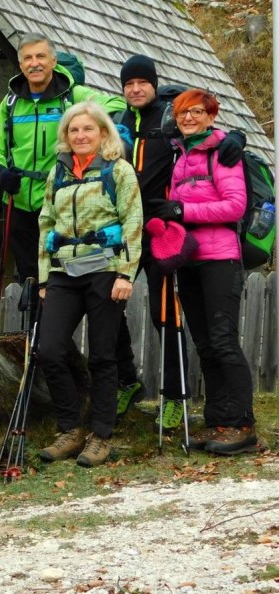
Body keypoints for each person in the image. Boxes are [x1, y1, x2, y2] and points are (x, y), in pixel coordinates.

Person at [111, 55, 247, 427]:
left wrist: (238, 136)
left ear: (154, 84)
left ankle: (174, 396)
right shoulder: (118, 122)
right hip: (124, 230)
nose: (136, 89)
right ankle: (126, 380)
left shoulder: (172, 116)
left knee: (164, 314)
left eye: (142, 82)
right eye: (129, 84)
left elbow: (208, 133)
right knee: (107, 306)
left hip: (163, 231)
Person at [35, 101, 142, 468]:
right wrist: (45, 277)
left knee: (102, 355)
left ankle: (101, 435)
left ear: (102, 133)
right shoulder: (58, 173)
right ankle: (70, 429)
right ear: (66, 135)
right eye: (73, 130)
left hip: (105, 270)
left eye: (88, 129)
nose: (80, 136)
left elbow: (133, 221)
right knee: (48, 349)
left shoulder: (119, 170)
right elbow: (46, 223)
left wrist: (126, 274)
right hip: (65, 272)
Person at [151, 89, 256, 455]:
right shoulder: (180, 156)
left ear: (211, 116)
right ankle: (218, 421)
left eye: (197, 112)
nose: (189, 118)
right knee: (206, 343)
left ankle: (243, 424)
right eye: (183, 113)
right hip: (189, 260)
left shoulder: (223, 152)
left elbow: (234, 206)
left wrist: (182, 212)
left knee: (224, 339)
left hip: (221, 259)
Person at [0, 34, 125, 293]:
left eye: (40, 56)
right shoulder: (11, 102)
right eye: (28, 58)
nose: (34, 63)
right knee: (29, 275)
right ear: (20, 64)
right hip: (19, 201)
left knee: (60, 271)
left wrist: (84, 126)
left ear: (53, 61)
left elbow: (117, 104)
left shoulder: (73, 96)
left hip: (61, 198)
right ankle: (37, 331)